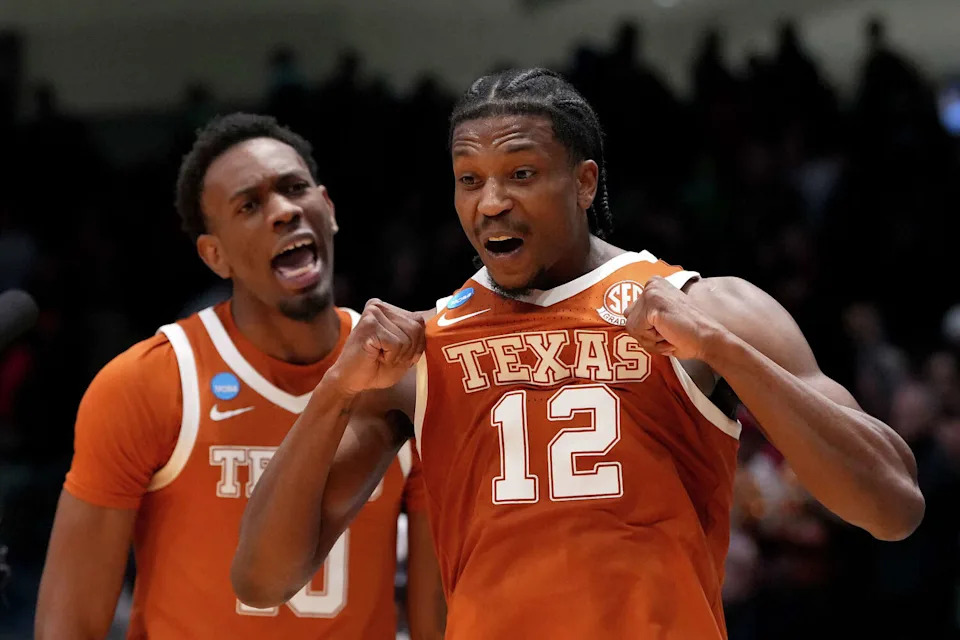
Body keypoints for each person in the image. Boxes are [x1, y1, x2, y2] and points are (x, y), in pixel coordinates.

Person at [232, 69, 924, 639]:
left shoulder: (704, 309)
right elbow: (263, 580)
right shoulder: (421, 349)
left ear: (585, 183)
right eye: (469, 179)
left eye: (522, 173)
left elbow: (893, 507)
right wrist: (334, 393)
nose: (491, 203)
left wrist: (722, 348)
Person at [35, 113, 444, 640]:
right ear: (215, 254)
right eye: (249, 205)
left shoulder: (407, 377)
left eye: (295, 189)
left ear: (329, 209)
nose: (283, 211)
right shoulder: (147, 383)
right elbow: (69, 626)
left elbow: (438, 617)